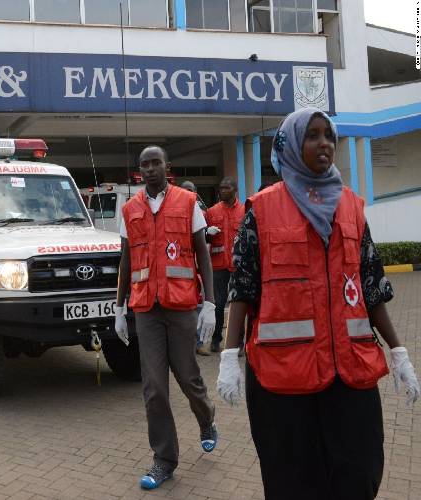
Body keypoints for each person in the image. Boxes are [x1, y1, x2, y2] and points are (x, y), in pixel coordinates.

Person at [216, 108, 420, 500]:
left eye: (329, 135)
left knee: (360, 473)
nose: (324, 143)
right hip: (283, 378)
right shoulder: (262, 209)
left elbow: (370, 285)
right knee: (292, 480)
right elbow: (242, 289)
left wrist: (399, 352)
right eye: (312, 135)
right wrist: (229, 356)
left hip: (349, 371)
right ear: (291, 145)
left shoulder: (351, 206)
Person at [115, 146, 218, 490]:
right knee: (154, 388)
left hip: (181, 305)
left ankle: (206, 418)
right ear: (138, 171)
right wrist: (118, 307)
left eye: (155, 163)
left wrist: (211, 303)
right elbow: (125, 261)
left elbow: (202, 251)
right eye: (144, 165)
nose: (149, 169)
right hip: (146, 308)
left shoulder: (188, 203)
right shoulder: (130, 209)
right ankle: (164, 460)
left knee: (188, 379)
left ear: (167, 167)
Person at [202, 177, 245, 353]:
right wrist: (207, 232)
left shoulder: (244, 211)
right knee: (218, 305)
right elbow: (200, 236)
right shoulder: (211, 212)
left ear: (235, 189)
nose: (222, 191)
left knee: (239, 304)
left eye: (226, 188)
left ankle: (239, 343)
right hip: (218, 266)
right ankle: (216, 340)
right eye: (221, 188)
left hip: (237, 266)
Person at [180, 181, 209, 354]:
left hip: (200, 266)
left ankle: (200, 343)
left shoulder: (203, 211)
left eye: (191, 190)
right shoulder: (173, 210)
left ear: (196, 192)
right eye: (185, 190)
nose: (188, 193)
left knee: (200, 305)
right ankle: (189, 343)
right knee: (186, 308)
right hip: (184, 267)